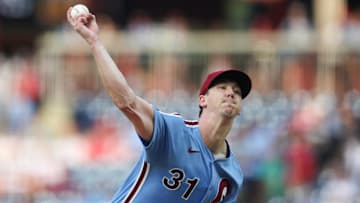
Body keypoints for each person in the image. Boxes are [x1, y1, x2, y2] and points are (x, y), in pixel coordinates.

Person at [66, 6, 252, 203]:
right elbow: (126, 101)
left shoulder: (232, 175)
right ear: (202, 99)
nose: (231, 93)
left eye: (238, 92)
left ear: (240, 109)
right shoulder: (174, 132)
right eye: (222, 88)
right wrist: (95, 42)